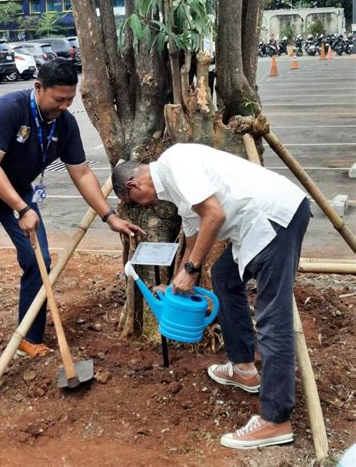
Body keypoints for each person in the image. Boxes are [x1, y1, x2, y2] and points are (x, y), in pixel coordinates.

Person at [0, 59, 142, 398]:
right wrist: (22, 208)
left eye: (70, 100)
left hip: (17, 190)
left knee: (39, 262)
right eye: (59, 100)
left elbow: (81, 173)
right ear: (38, 88)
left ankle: (29, 338)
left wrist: (108, 216)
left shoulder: (64, 125)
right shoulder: (8, 109)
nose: (65, 107)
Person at [111, 143, 311, 450]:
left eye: (134, 202)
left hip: (274, 219)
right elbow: (192, 236)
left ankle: (275, 420)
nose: (144, 207)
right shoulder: (175, 192)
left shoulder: (173, 162)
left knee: (273, 316)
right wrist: (177, 280)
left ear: (133, 185)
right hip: (256, 224)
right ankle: (244, 369)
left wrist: (191, 270)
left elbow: (214, 215)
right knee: (223, 276)